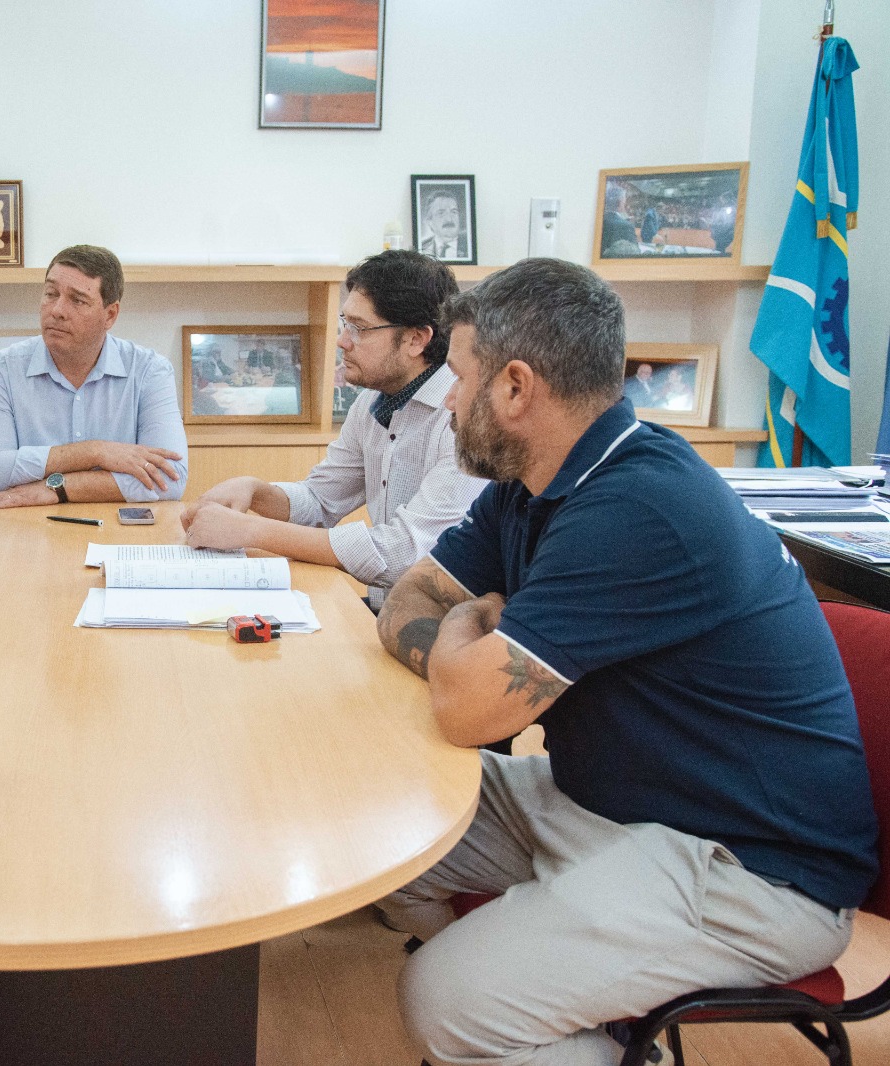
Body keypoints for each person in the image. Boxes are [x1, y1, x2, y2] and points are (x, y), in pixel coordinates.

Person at [372, 258, 876, 1066]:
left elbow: (468, 709)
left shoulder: (641, 507)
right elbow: (409, 597)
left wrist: (464, 638)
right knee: (376, 831)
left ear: (514, 386)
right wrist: (471, 628)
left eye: (457, 379)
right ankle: (571, 986)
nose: (449, 401)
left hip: (747, 869)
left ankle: (548, 1004)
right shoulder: (529, 479)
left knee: (441, 1004)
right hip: (611, 802)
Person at [181, 251, 484, 611]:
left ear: (416, 340)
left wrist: (251, 531)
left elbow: (405, 551)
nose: (342, 341)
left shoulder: (462, 418)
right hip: (384, 613)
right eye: (344, 323)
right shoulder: (371, 402)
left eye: (359, 328)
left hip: (444, 628)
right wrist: (254, 490)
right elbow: (322, 501)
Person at [0, 244, 189, 507]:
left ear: (110, 315)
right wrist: (94, 452)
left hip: (117, 536)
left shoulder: (150, 371)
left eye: (77, 300)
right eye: (51, 293)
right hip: (27, 531)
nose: (57, 310)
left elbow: (169, 479)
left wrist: (57, 488)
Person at [417, 192, 467, 260]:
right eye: (441, 213)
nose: (449, 219)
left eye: (454, 212)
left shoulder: (469, 245)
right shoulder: (422, 249)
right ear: (429, 221)